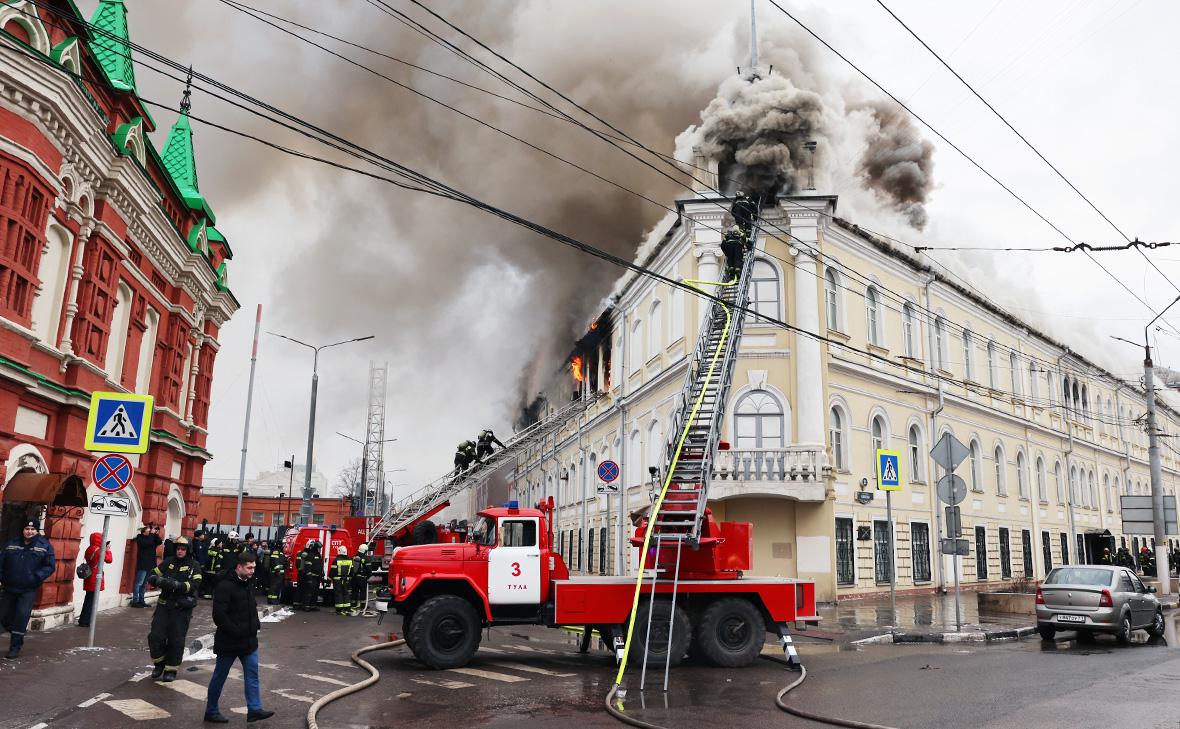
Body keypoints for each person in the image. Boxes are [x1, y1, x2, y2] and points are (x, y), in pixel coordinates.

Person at [204, 551, 274, 724]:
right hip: (229, 641)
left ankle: (254, 710)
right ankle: (211, 711)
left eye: (254, 568)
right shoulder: (225, 586)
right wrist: (236, 631)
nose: (252, 571)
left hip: (249, 642)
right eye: (249, 568)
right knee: (220, 676)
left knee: (252, 675)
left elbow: (250, 607)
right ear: (239, 567)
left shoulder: (248, 584)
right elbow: (219, 616)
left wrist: (255, 624)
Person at [147, 536, 201, 682]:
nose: (180, 551)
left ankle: (171, 669)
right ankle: (159, 664)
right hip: (164, 606)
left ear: (188, 550)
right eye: (178, 548)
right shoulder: (168, 562)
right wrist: (158, 580)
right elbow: (152, 574)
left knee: (176, 640)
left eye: (183, 549)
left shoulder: (193, 565)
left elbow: (195, 584)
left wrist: (178, 585)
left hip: (181, 609)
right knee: (155, 636)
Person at [0, 519, 55, 659]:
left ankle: (15, 647)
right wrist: (2, 577)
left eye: (32, 529)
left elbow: (49, 566)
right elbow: (1, 561)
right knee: (4, 616)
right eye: (26, 529)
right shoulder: (12, 543)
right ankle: (17, 631)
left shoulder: (44, 546)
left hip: (28, 589)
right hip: (9, 587)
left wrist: (36, 577)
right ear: (23, 530)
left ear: (37, 531)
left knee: (21, 616)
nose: (29, 532)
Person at [78, 532, 113, 628]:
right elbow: (109, 560)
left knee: (88, 599)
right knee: (92, 600)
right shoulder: (99, 551)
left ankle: (83, 620)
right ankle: (87, 621)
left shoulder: (89, 548)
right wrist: (108, 550)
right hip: (95, 576)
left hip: (89, 575)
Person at [131, 525, 162, 608]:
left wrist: (156, 534)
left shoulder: (151, 537)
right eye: (149, 529)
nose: (150, 531)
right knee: (139, 583)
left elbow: (159, 542)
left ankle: (141, 600)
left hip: (150, 564)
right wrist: (152, 534)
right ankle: (135, 601)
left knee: (144, 584)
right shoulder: (140, 538)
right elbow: (148, 543)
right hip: (143, 563)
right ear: (144, 531)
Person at [296, 541, 322, 612]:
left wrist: (321, 574)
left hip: (317, 577)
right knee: (308, 593)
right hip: (312, 577)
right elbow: (308, 567)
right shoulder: (310, 555)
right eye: (319, 548)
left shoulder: (318, 555)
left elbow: (320, 566)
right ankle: (306, 606)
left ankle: (313, 606)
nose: (320, 550)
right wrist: (309, 578)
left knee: (315, 593)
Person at [330, 546, 355, 616]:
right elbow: (352, 572)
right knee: (346, 593)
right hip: (346, 580)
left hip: (337, 581)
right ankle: (347, 608)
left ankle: (339, 609)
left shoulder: (336, 560)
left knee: (339, 594)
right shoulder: (350, 560)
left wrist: (329, 578)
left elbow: (333, 571)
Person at [350, 543, 374, 613]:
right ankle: (363, 605)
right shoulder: (366, 559)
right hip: (362, 578)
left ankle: (353, 604)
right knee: (363, 591)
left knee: (354, 591)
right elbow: (369, 569)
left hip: (354, 578)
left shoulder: (354, 557)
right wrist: (369, 576)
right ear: (365, 551)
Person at [265, 541, 287, 605]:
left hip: (279, 573)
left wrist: (285, 564)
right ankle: (272, 600)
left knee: (277, 587)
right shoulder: (276, 552)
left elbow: (284, 561)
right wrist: (277, 570)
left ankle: (275, 600)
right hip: (276, 573)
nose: (283, 546)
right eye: (282, 544)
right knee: (274, 587)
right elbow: (275, 562)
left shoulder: (280, 552)